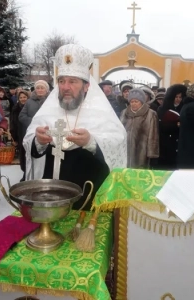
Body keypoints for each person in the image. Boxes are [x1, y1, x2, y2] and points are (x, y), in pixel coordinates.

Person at [23, 44, 127, 210]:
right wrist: (38, 141)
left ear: (86, 86)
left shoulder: (101, 112)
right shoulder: (47, 111)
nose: (65, 87)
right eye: (62, 81)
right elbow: (30, 142)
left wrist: (91, 142)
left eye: (73, 81)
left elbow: (118, 142)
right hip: (50, 191)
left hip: (88, 191)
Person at [120, 88, 159, 168]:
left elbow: (153, 135)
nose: (133, 104)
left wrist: (152, 153)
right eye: (131, 101)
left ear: (141, 102)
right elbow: (120, 131)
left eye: (136, 101)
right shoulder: (124, 113)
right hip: (125, 151)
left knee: (140, 174)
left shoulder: (150, 114)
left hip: (142, 152)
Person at [157, 84, 187, 169]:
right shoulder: (162, 109)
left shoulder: (185, 108)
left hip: (180, 142)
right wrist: (175, 125)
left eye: (180, 97)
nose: (178, 99)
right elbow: (160, 126)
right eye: (176, 97)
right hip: (166, 143)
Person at [10, 90, 30, 181]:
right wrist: (14, 137)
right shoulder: (15, 108)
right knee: (22, 156)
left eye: (24, 97)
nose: (23, 99)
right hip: (20, 134)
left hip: (29, 134)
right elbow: (13, 123)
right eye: (21, 97)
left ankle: (28, 174)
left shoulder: (30, 107)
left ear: (28, 97)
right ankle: (25, 173)